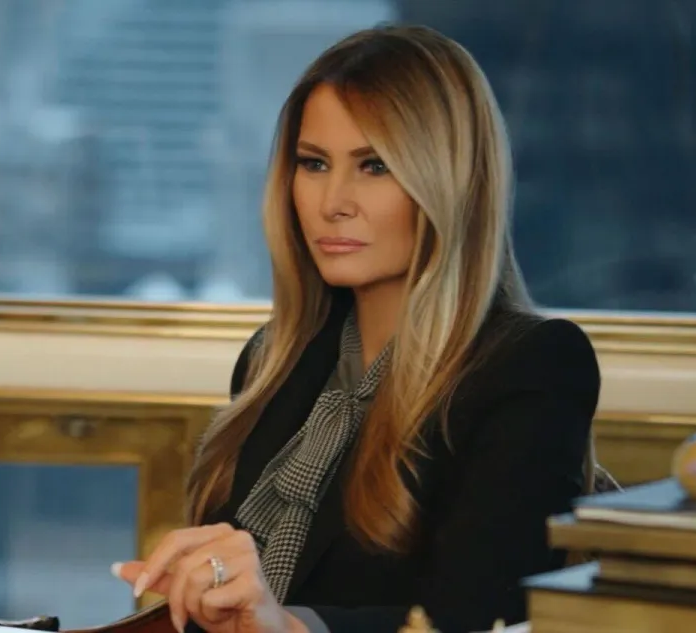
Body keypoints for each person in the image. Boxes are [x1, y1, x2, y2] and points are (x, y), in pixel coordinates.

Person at [111, 24, 601, 633]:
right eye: (313, 163)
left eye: (374, 165)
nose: (332, 201)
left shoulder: (533, 365)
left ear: (448, 182)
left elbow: (484, 619)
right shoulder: (273, 361)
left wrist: (291, 626)